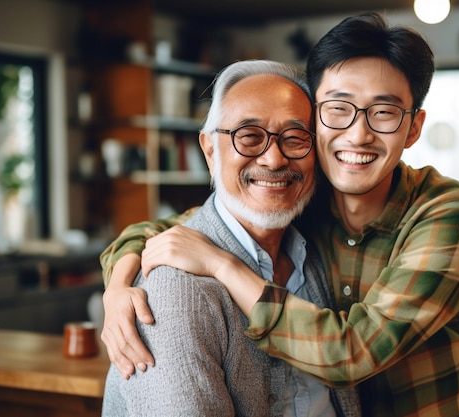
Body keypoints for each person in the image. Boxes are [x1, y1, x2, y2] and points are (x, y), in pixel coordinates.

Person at [100, 12, 459, 416]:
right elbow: (174, 228)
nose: (358, 134)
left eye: (383, 112)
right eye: (338, 108)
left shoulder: (449, 211)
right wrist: (120, 284)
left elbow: (353, 353)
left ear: (413, 128)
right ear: (315, 120)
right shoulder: (303, 195)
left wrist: (223, 266)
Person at [101, 59, 360, 416]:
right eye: (250, 136)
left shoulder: (314, 249)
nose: (273, 159)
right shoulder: (175, 291)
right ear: (209, 150)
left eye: (296, 137)